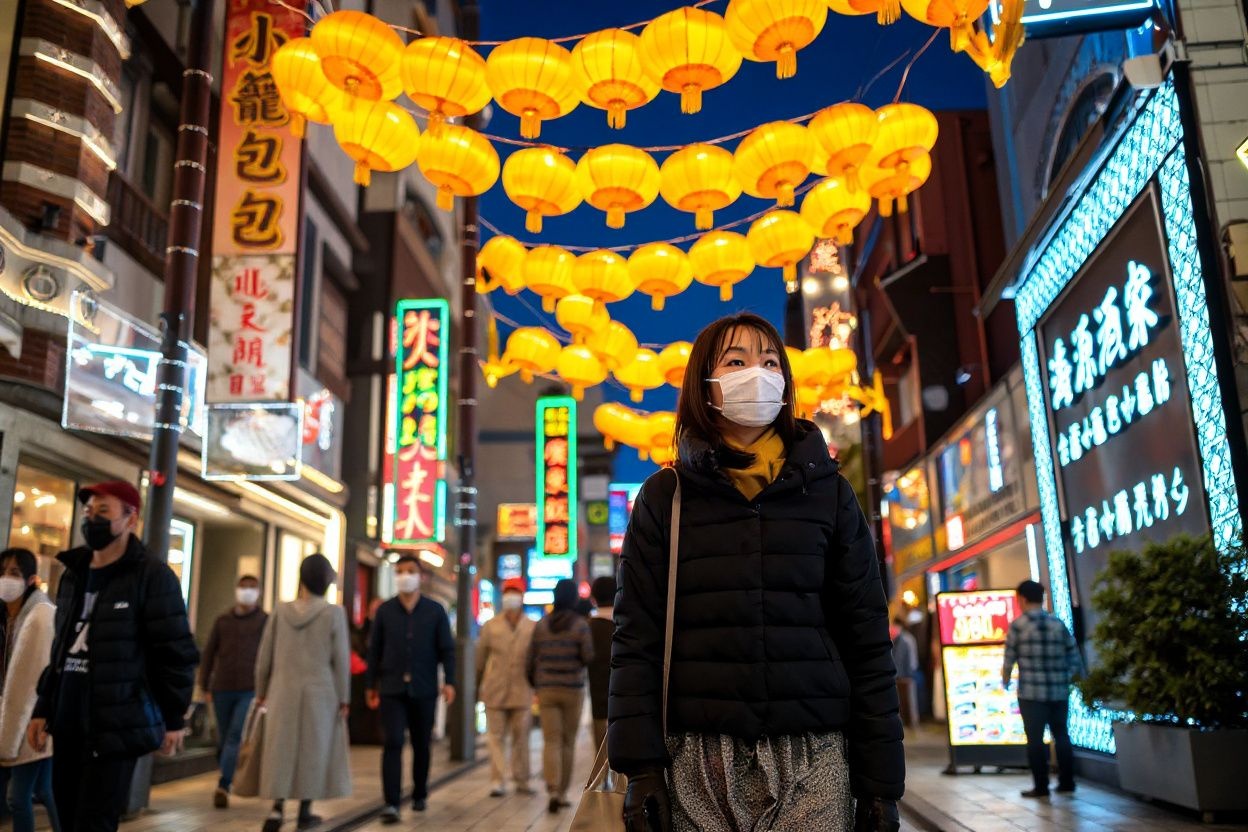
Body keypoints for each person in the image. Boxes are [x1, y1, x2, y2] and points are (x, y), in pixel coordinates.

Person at [609, 313, 904, 832]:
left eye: (770, 362)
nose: (757, 374)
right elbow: (636, 639)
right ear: (706, 383)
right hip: (697, 758)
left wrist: (881, 784)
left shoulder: (830, 494)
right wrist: (641, 769)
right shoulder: (666, 497)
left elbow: (866, 637)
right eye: (737, 361)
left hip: (814, 755)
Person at [28, 481, 199, 832]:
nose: (92, 519)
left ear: (130, 519)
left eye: (103, 512)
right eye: (89, 512)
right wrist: (43, 706)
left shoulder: (153, 577)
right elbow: (61, 647)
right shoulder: (74, 574)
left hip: (116, 725)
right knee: (66, 817)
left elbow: (175, 654)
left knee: (94, 822)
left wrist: (173, 718)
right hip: (69, 720)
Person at [254, 554, 351, 831]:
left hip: (282, 689)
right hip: (321, 693)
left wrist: (261, 690)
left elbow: (265, 657)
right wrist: (344, 698)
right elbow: (340, 660)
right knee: (313, 750)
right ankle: (305, 810)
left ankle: (276, 810)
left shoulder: (280, 611)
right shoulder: (333, 614)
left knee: (280, 749)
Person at [366, 556, 456, 824]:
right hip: (391, 688)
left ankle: (419, 793)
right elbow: (374, 651)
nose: (405, 575)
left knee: (421, 743)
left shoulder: (435, 610)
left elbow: (447, 650)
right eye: (400, 571)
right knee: (392, 742)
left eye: (410, 571)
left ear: (421, 576)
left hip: (424, 687)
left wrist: (450, 681)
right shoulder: (385, 611)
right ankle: (391, 802)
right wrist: (371, 684)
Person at [1003, 580, 1082, 799]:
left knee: (1035, 741)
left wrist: (1005, 680)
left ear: (1023, 599)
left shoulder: (1018, 626)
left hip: (1031, 693)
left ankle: (1041, 786)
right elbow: (1073, 654)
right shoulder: (1058, 623)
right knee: (1062, 735)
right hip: (1058, 690)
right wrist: (1070, 678)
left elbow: (1009, 659)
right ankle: (1067, 782)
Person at [0, 549, 60, 832]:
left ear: (32, 579)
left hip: (31, 718)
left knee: (18, 797)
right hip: (20, 717)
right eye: (2, 572)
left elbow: (31, 678)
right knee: (46, 791)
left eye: (14, 573)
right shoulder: (10, 617)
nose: (5, 579)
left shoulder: (39, 617)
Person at [199, 574, 268, 808]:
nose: (247, 591)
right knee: (223, 737)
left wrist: (266, 688)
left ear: (258, 592)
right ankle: (227, 771)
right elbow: (209, 653)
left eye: (252, 587)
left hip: (249, 689)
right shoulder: (223, 621)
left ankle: (223, 784)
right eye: (243, 587)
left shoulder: (264, 621)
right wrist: (204, 685)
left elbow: (269, 656)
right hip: (222, 688)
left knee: (234, 735)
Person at [527, 578, 593, 815]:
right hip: (572, 689)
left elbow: (530, 657)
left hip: (546, 689)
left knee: (551, 740)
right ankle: (562, 792)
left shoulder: (542, 625)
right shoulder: (580, 625)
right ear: (574, 598)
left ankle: (553, 789)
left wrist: (536, 683)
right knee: (567, 742)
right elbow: (588, 656)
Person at [476, 577, 537, 798]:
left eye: (515, 592)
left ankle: (522, 779)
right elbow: (480, 660)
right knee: (496, 736)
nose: (511, 596)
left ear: (522, 596)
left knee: (522, 737)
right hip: (495, 689)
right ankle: (497, 780)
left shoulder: (531, 626)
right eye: (508, 592)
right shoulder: (491, 626)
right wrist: (477, 687)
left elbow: (536, 660)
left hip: (522, 689)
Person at [587, 575, 616, 752]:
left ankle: (604, 780)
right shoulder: (628, 624)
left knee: (600, 754)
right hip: (628, 699)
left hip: (598, 699)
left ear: (594, 598)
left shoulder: (589, 627)